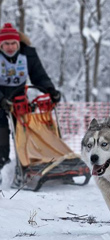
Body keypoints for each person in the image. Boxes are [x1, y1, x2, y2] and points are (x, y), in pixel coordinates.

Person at [0, 23, 61, 179]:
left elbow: (39, 75)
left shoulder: (28, 55)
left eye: (13, 43)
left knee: (25, 130)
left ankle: (29, 163)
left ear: (19, 43)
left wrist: (50, 90)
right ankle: (2, 165)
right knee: (1, 132)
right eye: (5, 44)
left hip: (18, 97)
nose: (10, 47)